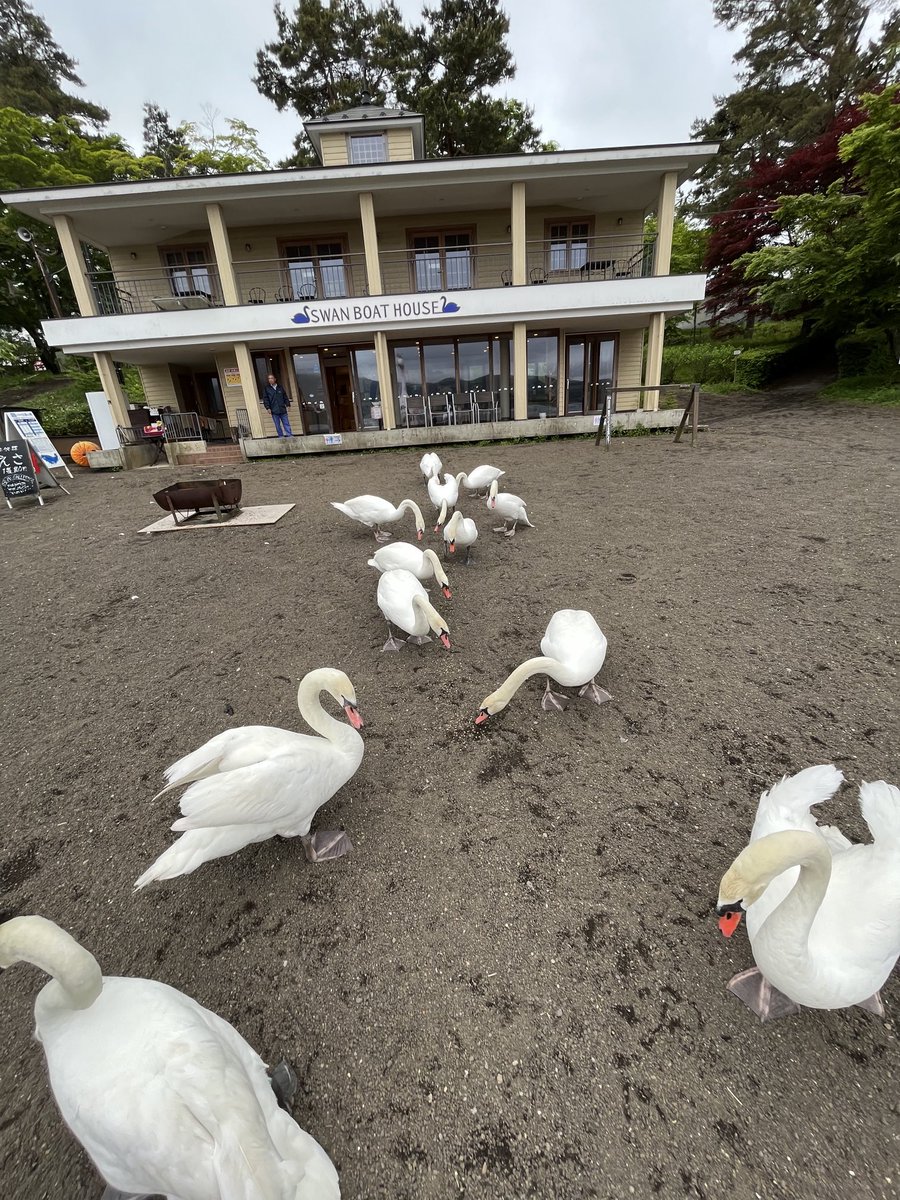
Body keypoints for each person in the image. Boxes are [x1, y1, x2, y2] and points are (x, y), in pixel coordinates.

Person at [262, 373, 293, 437]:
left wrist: (288, 405)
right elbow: (265, 399)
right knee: (277, 425)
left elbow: (285, 397)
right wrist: (268, 408)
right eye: (269, 379)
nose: (270, 380)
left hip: (282, 409)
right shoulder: (267, 389)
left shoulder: (280, 387)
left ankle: (289, 435)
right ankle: (281, 436)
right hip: (274, 410)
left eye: (271, 378)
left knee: (286, 423)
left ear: (275, 379)